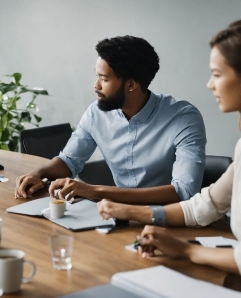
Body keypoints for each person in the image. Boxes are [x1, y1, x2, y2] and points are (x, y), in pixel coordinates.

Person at [98, 21, 241, 275]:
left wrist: (186, 250)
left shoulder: (183, 116)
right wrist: (132, 212)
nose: (209, 84)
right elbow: (205, 206)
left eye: (217, 74)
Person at [15, 36, 206, 205]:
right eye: (97, 76)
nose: (95, 85)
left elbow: (184, 192)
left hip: (170, 221)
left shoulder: (183, 118)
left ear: (131, 84)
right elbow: (69, 161)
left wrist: (95, 191)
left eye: (104, 79)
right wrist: (38, 174)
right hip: (117, 214)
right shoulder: (96, 114)